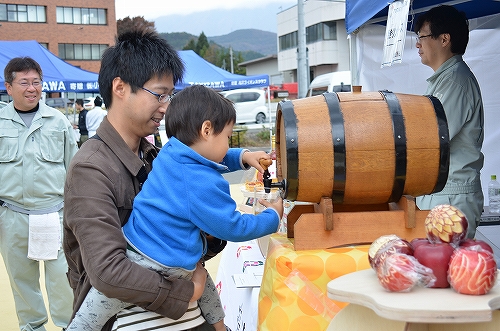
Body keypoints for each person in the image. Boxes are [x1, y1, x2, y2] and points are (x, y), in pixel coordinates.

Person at [63, 29, 274, 331]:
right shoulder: (91, 168)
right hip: (132, 318)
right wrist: (190, 291)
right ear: (120, 88)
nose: (166, 105)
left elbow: (195, 227)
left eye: (170, 95)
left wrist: (208, 234)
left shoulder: (158, 155)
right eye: (159, 94)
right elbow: (109, 272)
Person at [0, 57, 77, 330]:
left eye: (36, 82)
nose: (32, 88)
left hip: (54, 214)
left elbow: (74, 169)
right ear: (9, 88)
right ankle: (32, 327)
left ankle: (70, 326)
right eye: (24, 82)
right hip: (12, 216)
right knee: (22, 282)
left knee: (62, 279)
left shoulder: (57, 121)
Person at [414, 5, 484, 238]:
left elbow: (431, 138)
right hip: (441, 195)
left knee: (447, 271)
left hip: (451, 197)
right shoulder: (444, 80)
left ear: (444, 39)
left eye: (421, 37)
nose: (417, 44)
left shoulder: (455, 82)